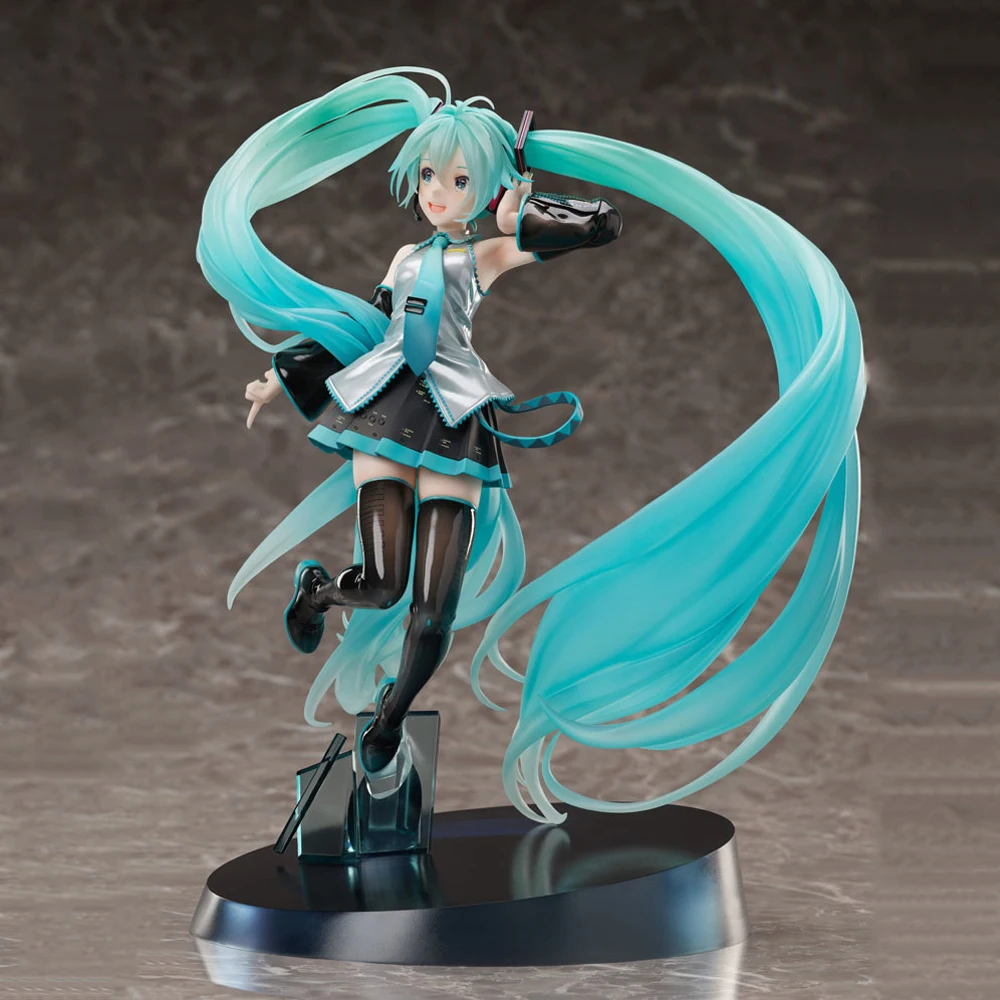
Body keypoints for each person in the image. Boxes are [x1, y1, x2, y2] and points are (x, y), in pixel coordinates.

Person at [197, 67, 865, 824]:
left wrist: (526, 210)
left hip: (454, 421)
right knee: (382, 584)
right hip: (384, 410)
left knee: (434, 613)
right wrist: (279, 375)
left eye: (458, 179)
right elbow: (363, 328)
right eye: (429, 176)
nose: (438, 192)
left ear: (484, 187)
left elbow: (603, 224)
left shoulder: (485, 256)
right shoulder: (405, 259)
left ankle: (387, 722)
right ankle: (320, 591)